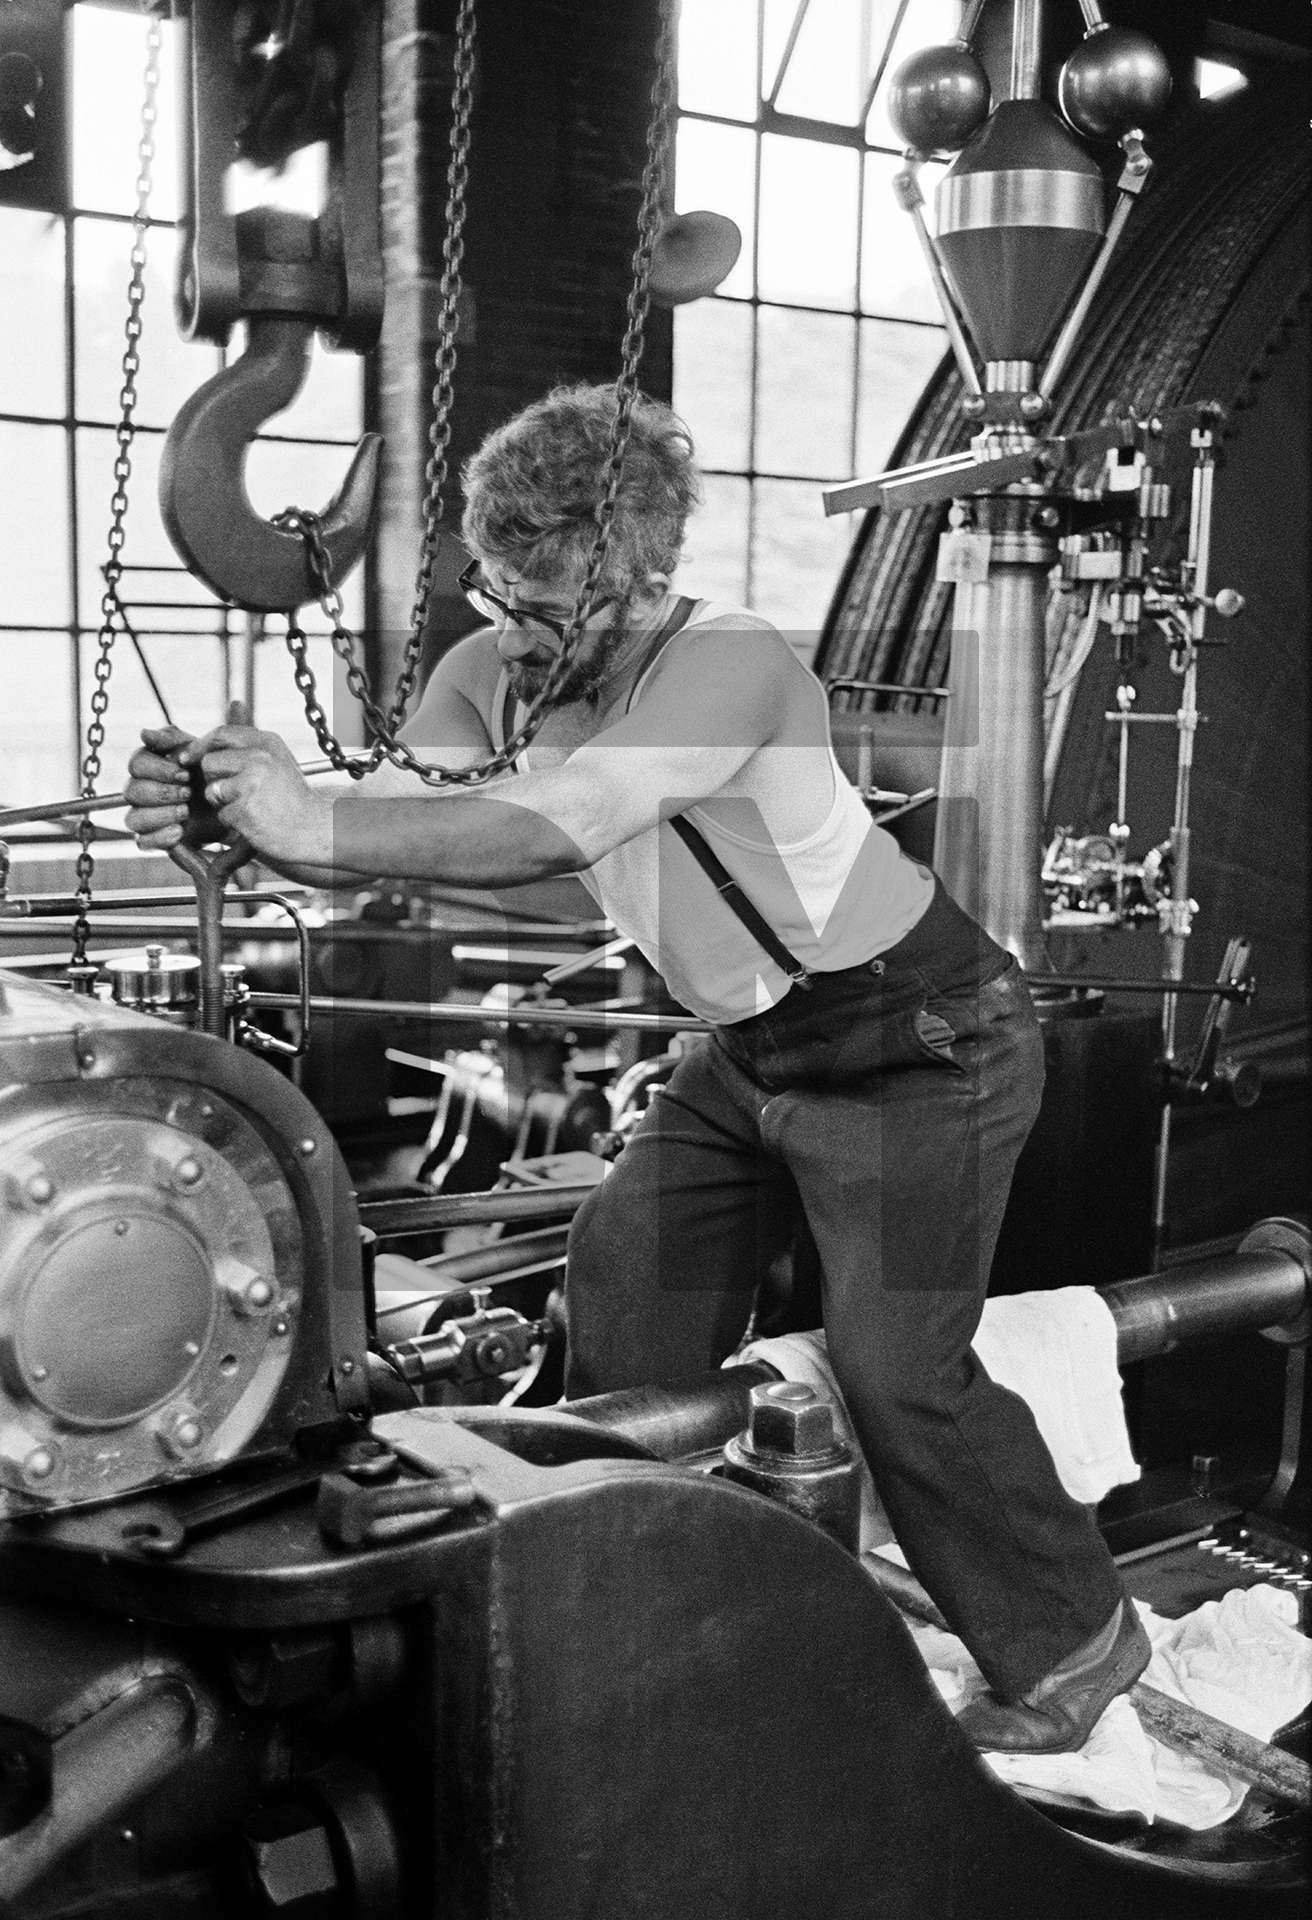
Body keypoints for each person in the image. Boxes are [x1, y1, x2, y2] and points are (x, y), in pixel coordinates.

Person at [125, 381, 1148, 1753]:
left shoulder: (735, 664)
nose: (534, 643)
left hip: (922, 1043)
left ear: (640, 575)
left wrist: (308, 822)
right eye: (507, 602)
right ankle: (643, 1605)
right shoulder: (493, 662)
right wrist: (238, 807)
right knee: (620, 1304)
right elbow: (416, 818)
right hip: (748, 1055)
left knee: (900, 1368)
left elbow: (567, 818)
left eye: (567, 612)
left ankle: (1076, 1636)